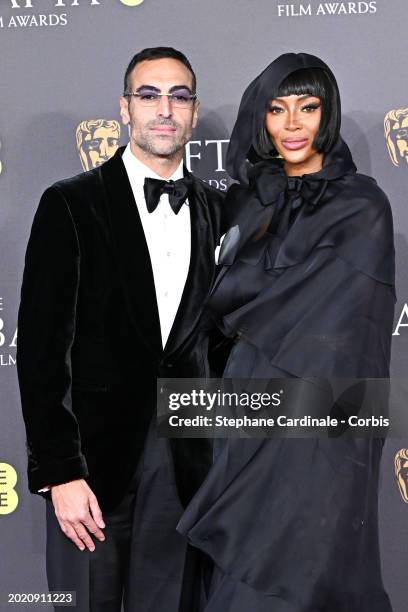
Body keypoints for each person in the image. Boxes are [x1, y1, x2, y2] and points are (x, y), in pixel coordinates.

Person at [177, 53, 395, 611]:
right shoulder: (243, 204)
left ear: (329, 113)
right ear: (261, 118)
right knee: (236, 567)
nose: (293, 124)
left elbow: (351, 329)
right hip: (243, 407)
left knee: (309, 563)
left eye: (308, 106)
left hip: (323, 421)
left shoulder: (362, 206)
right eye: (277, 109)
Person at [17, 46, 223, 611]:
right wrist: (60, 472)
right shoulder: (70, 204)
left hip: (186, 469)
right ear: (125, 107)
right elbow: (39, 352)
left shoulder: (221, 213)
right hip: (92, 468)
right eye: (149, 95)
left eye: (178, 97)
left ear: (194, 110)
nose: (164, 110)